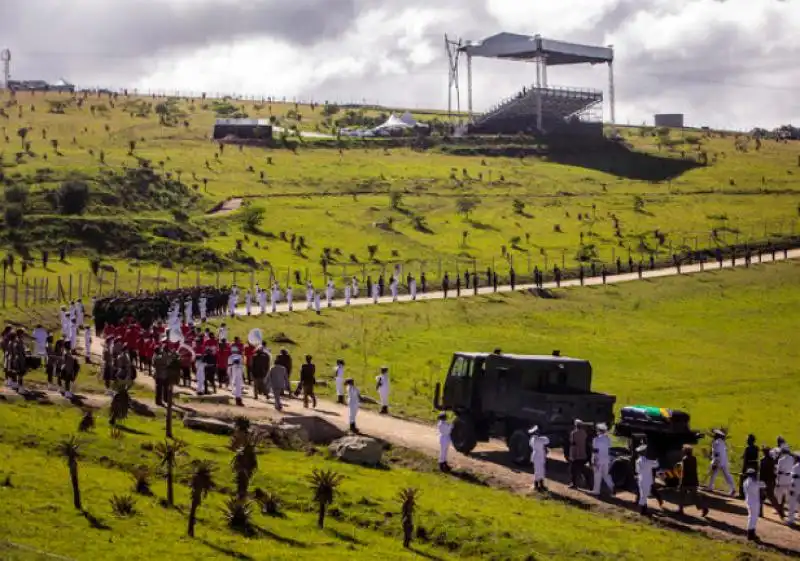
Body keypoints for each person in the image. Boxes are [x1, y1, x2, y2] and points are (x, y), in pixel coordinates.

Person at [678, 445, 709, 517]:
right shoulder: (694, 458)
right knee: (695, 496)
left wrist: (681, 481)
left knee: (681, 494)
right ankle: (704, 508)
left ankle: (680, 510)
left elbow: (684, 471)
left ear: (685, 451)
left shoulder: (685, 459)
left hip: (686, 481)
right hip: (694, 480)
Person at [707, 429, 736, 496]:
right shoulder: (722, 442)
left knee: (713, 474)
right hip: (724, 461)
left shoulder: (715, 442)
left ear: (717, 435)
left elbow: (717, 453)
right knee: (727, 475)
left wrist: (715, 463)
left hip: (718, 461)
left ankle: (710, 487)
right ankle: (733, 488)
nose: (714, 435)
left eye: (715, 434)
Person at [760, 445, 785, 519]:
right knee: (771, 497)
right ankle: (780, 510)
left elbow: (761, 473)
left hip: (764, 481)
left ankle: (760, 512)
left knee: (761, 497)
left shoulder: (763, 460)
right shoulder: (772, 460)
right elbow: (774, 471)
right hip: (772, 480)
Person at [636, 444, 660, 515]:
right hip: (646, 480)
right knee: (644, 495)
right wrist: (657, 460)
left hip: (640, 479)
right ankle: (642, 510)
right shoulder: (647, 461)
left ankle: (643, 510)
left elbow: (637, 471)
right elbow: (656, 465)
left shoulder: (638, 460)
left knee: (643, 495)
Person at [591, 423, 614, 496]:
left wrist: (593, 460)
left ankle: (596, 490)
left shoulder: (596, 439)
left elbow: (595, 450)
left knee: (597, 475)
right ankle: (612, 486)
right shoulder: (608, 439)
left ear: (599, 430)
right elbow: (609, 447)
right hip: (606, 459)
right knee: (605, 475)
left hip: (598, 459)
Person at [743, 468, 766, 541]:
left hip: (748, 501)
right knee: (753, 518)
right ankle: (750, 534)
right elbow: (764, 485)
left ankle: (751, 533)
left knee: (751, 517)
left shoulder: (745, 482)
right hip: (754, 502)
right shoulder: (754, 482)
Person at [568, 419, 589, 489]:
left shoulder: (573, 433)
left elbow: (572, 443)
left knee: (573, 470)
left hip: (576, 454)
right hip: (583, 454)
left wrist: (571, 455)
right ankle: (588, 483)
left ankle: (574, 484)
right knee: (582, 469)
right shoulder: (584, 433)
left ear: (576, 425)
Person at [529, 426, 550, 491]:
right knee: (539, 471)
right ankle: (537, 485)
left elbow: (530, 445)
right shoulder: (540, 439)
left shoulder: (532, 439)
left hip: (536, 456)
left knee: (538, 471)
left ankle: (539, 485)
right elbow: (547, 441)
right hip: (539, 456)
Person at [739, 434, 760, 498]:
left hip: (748, 466)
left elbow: (745, 459)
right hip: (755, 465)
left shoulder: (747, 448)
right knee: (754, 481)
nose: (746, 441)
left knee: (743, 479)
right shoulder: (757, 448)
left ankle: (742, 494)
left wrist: (743, 469)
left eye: (747, 439)